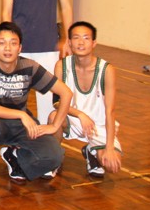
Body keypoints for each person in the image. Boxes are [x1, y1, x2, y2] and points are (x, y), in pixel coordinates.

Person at [0, 22, 71, 197]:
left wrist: (55, 126)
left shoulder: (29, 66)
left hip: (20, 126)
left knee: (55, 156)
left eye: (13, 43)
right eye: (1, 42)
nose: (7, 48)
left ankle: (15, 156)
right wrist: (21, 114)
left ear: (20, 48)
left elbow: (66, 93)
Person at [2, 0, 73, 126]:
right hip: (21, 48)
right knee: (15, 99)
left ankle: (44, 139)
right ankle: (15, 140)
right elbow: (6, 13)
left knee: (48, 101)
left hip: (48, 47)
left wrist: (67, 38)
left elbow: (66, 7)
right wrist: (8, 45)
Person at [50, 21, 122, 177]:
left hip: (99, 125)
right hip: (73, 118)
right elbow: (57, 103)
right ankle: (54, 158)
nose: (81, 42)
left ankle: (92, 151)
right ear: (69, 42)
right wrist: (80, 114)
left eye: (86, 38)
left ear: (94, 43)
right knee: (54, 117)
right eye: (76, 38)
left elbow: (110, 111)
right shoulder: (61, 66)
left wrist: (109, 148)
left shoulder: (107, 70)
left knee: (111, 164)